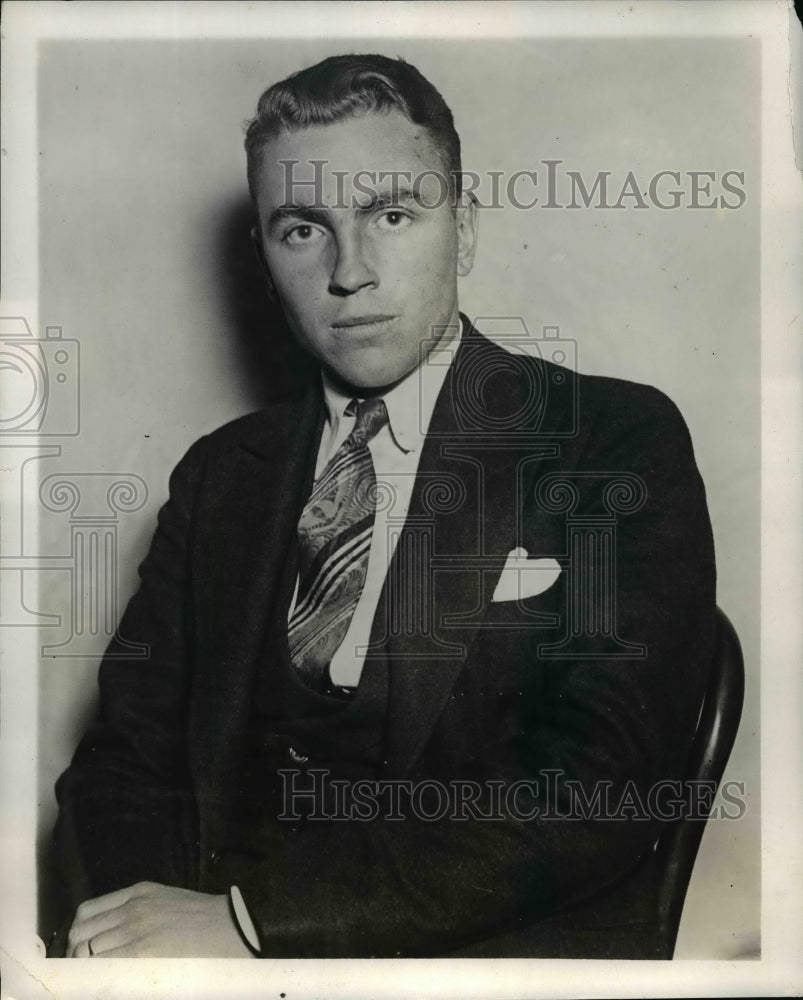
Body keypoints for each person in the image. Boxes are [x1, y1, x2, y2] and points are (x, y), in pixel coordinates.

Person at [51, 53, 716, 959]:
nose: (349, 272)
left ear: (464, 231)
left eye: (390, 215)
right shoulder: (220, 475)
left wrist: (250, 924)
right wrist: (134, 936)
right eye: (301, 229)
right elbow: (124, 761)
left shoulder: (605, 440)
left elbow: (595, 792)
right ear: (262, 255)